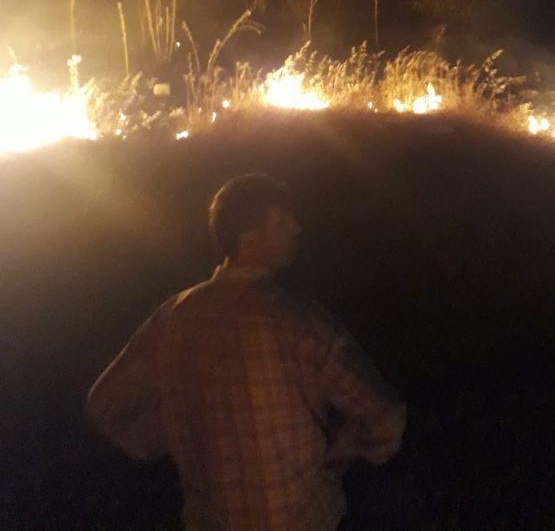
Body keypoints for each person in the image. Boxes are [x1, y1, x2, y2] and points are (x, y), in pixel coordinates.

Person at [86, 173, 406, 530]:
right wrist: (345, 448)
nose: (297, 227)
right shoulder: (299, 321)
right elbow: (386, 419)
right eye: (282, 221)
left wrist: (172, 433)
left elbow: (105, 404)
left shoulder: (174, 315)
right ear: (250, 242)